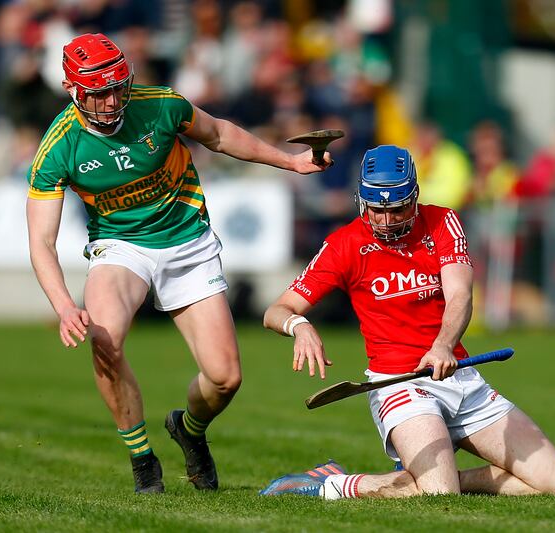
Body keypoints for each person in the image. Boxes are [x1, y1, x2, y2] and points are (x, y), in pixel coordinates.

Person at [25, 33, 330, 495]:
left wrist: (291, 163)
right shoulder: (57, 149)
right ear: (73, 90)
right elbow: (41, 242)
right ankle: (142, 458)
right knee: (104, 338)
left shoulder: (163, 105)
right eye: (98, 93)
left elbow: (221, 135)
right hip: (121, 247)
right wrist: (65, 307)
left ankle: (188, 429)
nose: (111, 102)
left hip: (188, 242)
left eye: (117, 88)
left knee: (226, 378)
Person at [259, 145, 555, 499]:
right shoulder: (344, 244)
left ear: (414, 197)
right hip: (399, 385)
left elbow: (460, 295)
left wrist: (441, 346)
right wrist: (299, 326)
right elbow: (277, 311)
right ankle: (330, 484)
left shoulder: (443, 222)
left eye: (396, 210)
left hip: (457, 375)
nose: (386, 220)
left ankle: (428, 477)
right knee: (440, 492)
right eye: (377, 210)